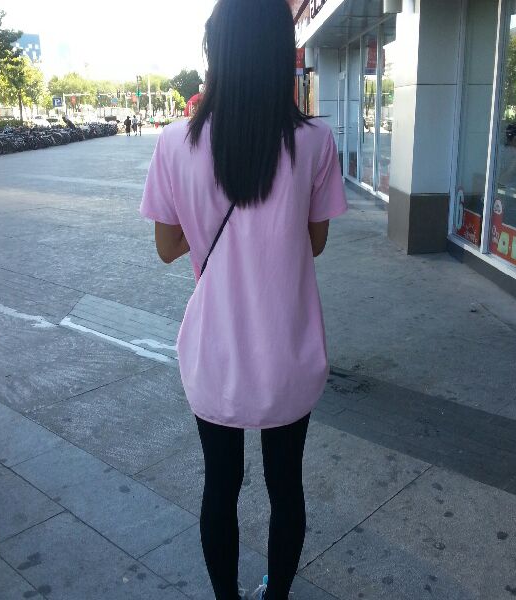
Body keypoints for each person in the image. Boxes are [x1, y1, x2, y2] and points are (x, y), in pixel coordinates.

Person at [139, 1, 346, 598]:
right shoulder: (315, 142)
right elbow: (315, 241)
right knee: (287, 486)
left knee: (220, 485)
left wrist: (208, 220)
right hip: (289, 352)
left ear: (217, 52)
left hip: (215, 354)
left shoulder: (175, 143)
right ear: (282, 54)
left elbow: (167, 248)